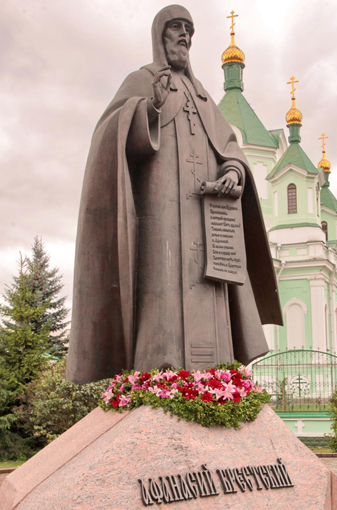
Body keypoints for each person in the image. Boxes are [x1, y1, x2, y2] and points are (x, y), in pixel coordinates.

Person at [67, 5, 282, 384]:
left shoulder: (203, 98)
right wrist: (148, 107)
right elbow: (109, 133)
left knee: (208, 285)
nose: (184, 36)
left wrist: (233, 170)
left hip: (206, 221)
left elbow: (229, 146)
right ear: (159, 35)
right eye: (177, 28)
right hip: (161, 217)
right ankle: (157, 375)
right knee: (162, 286)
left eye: (189, 30)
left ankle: (215, 379)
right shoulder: (142, 80)